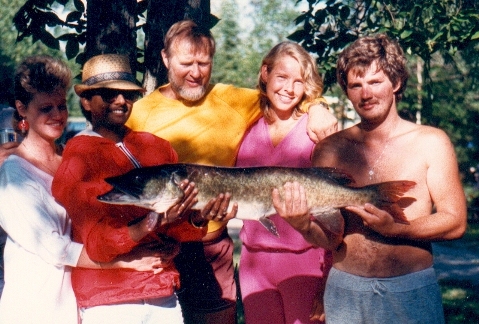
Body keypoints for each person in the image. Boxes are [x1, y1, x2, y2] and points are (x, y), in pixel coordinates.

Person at [126, 19, 338, 324]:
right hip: (158, 246)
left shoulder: (235, 101)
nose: (196, 72)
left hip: (212, 249)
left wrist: (318, 107)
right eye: (187, 62)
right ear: (165, 59)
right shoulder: (140, 113)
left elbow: (287, 93)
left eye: (204, 62)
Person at [273, 34, 468, 324]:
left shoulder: (432, 142)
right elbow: (331, 237)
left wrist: (397, 229)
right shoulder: (330, 149)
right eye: (355, 85)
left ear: (396, 83)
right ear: (347, 91)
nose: (366, 94)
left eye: (375, 82)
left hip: (409, 290)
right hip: (346, 290)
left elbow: (455, 221)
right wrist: (302, 225)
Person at [0, 55, 169, 324]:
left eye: (61, 105)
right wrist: (120, 264)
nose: (57, 115)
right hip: (34, 301)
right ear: (22, 109)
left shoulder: (69, 159)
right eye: (46, 108)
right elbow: (54, 247)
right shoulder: (12, 173)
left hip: (72, 300)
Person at [51, 54, 219, 324]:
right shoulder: (78, 157)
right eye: (108, 94)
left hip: (162, 293)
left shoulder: (156, 146)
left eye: (128, 95)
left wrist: (197, 218)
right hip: (110, 302)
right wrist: (148, 224)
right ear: (86, 101)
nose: (120, 101)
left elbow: (178, 231)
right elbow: (95, 243)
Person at [235, 41, 333, 324]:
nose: (288, 89)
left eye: (299, 82)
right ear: (265, 73)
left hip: (304, 261)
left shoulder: (315, 130)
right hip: (254, 264)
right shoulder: (246, 124)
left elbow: (335, 211)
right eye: (281, 77)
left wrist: (327, 281)